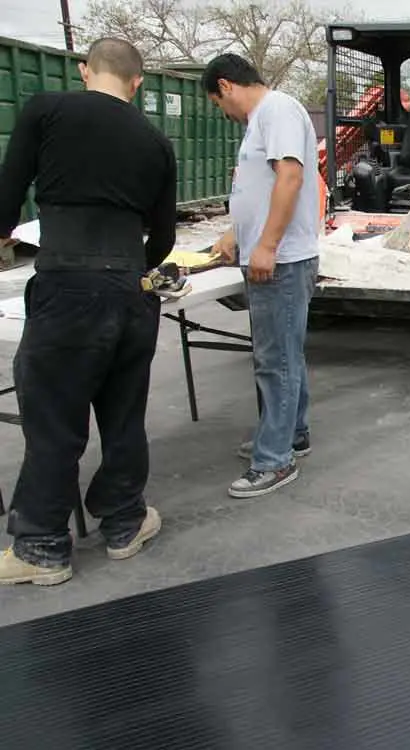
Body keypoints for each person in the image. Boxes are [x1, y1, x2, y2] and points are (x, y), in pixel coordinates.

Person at [0, 38, 177, 586]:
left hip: (65, 283)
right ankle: (124, 523)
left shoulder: (46, 112)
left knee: (54, 417)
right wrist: (127, 274)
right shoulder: (155, 141)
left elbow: (6, 202)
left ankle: (42, 546)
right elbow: (165, 237)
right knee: (123, 414)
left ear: (85, 71)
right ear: (138, 82)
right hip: (131, 287)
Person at [202, 54, 319, 499]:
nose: (223, 112)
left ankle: (275, 460)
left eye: (218, 103)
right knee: (286, 353)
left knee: (275, 361)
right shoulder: (264, 119)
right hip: (275, 254)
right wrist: (237, 232)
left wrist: (266, 245)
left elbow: (289, 178)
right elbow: (263, 187)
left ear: (227, 86)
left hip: (283, 260)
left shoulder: (277, 110)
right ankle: (293, 433)